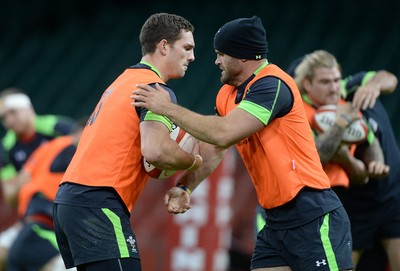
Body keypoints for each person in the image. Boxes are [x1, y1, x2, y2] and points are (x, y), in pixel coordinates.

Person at [132, 16, 353, 271]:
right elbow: (216, 147)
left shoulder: (272, 85)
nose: (216, 61)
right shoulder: (228, 93)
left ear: (243, 56)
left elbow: (224, 133)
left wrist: (167, 108)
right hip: (274, 220)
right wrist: (186, 186)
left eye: (221, 54)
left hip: (312, 213)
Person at [52, 13, 203, 271]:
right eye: (187, 48)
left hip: (69, 201)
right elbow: (155, 152)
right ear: (164, 46)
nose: (192, 57)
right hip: (98, 201)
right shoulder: (154, 88)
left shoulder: (122, 81)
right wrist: (193, 162)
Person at [0, 88, 75, 271]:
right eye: (3, 117)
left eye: (13, 112)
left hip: (68, 206)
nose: (9, 120)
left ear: (28, 108)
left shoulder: (58, 128)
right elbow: (10, 197)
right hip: (32, 214)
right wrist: (26, 177)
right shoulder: (6, 148)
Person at [5, 119, 85, 271]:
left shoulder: (47, 148)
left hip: (34, 221)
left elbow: (21, 181)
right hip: (46, 221)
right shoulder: (70, 146)